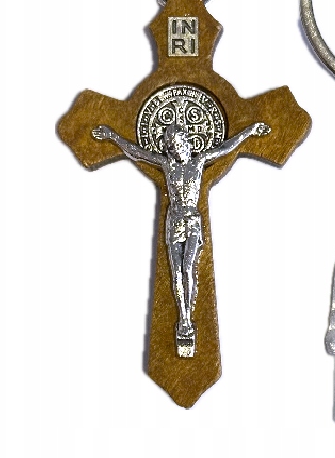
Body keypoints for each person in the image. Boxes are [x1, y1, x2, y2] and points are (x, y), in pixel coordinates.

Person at [92, 121, 271, 356]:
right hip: (175, 220)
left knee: (189, 268)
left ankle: (189, 315)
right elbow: (137, 152)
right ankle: (184, 319)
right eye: (172, 146)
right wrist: (113, 136)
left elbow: (225, 148)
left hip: (192, 220)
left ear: (187, 142)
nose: (177, 149)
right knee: (176, 271)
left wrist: (249, 131)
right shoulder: (168, 165)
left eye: (179, 144)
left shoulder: (199, 161)